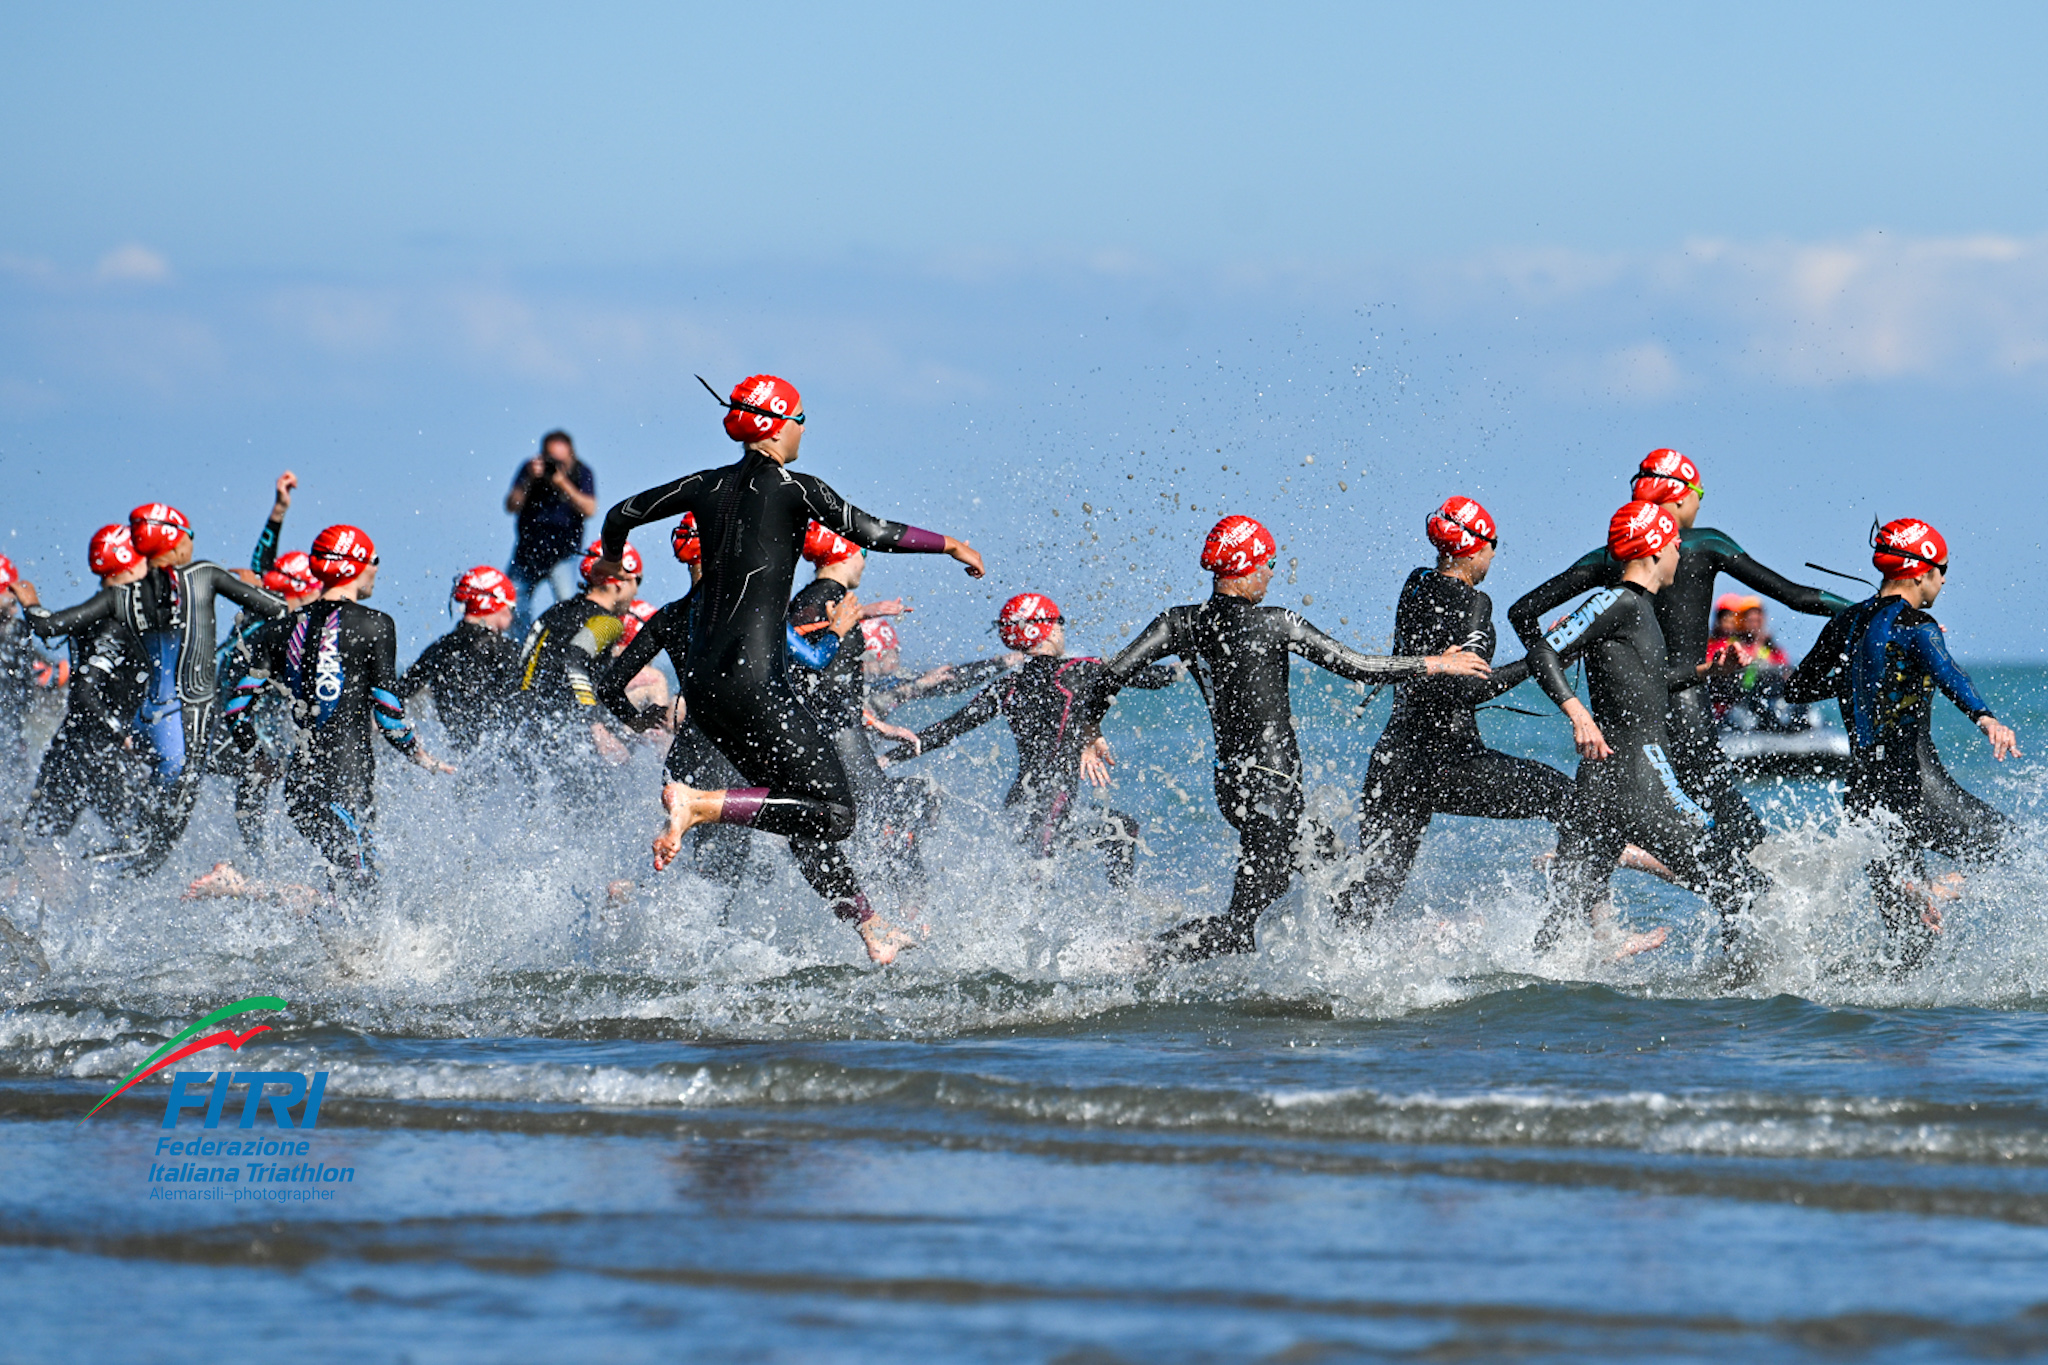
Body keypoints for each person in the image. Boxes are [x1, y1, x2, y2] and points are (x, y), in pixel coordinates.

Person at [590, 373, 986, 964]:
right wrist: (952, 544)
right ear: (776, 425)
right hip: (756, 686)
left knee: (800, 811)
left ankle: (871, 928)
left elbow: (621, 513)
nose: (804, 429)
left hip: (706, 692)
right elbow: (874, 531)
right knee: (836, 813)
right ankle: (699, 805)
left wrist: (618, 559)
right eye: (801, 418)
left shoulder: (704, 485)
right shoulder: (798, 490)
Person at [1096, 515, 1490, 961]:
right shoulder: (1275, 622)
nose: (1270, 573)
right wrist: (1434, 664)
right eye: (1268, 563)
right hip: (1272, 792)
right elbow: (1357, 665)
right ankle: (1134, 958)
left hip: (1234, 787)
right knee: (1242, 928)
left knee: (1342, 875)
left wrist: (1090, 731)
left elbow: (1110, 674)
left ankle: (1366, 956)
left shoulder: (1180, 622)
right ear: (1246, 567)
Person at [1337, 498, 1671, 927]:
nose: (1494, 556)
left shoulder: (1415, 583)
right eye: (1493, 545)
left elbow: (1438, 674)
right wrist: (1539, 659)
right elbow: (1468, 687)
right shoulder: (1476, 604)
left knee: (1374, 893)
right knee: (1571, 802)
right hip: (1449, 764)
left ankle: (1319, 962)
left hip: (1395, 762)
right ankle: (1594, 920)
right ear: (1475, 549)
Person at [1508, 449, 1851, 862]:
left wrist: (1564, 672)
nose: (1700, 501)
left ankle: (1597, 923)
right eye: (1699, 491)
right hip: (1685, 709)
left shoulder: (1616, 555)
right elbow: (1797, 596)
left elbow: (1523, 612)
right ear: (1681, 495)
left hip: (1623, 717)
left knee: (1595, 830)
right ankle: (1761, 903)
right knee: (1732, 829)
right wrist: (1877, 613)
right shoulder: (1704, 544)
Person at [1525, 502, 1767, 970]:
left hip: (1603, 787)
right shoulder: (1617, 600)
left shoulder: (1640, 610)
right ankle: (1743, 993)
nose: (1681, 547)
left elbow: (1647, 682)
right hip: (1639, 781)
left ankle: (1533, 1001)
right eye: (1673, 542)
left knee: (1562, 918)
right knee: (1741, 882)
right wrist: (1578, 714)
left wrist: (1706, 669)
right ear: (1653, 549)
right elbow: (1543, 651)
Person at [1784, 518, 2019, 970]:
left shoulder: (1846, 621)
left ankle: (1893, 1037)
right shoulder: (1919, 626)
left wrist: (1860, 677)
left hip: (1863, 794)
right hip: (1914, 782)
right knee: (2005, 845)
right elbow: (1950, 674)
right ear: (1920, 572)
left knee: (1909, 941)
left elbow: (1798, 688)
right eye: (1942, 569)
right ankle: (1937, 889)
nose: (1945, 579)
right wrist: (1985, 717)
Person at [599, 516, 861, 895]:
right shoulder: (748, 606)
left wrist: (643, 721)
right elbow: (814, 661)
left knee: (689, 864)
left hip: (685, 756)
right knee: (719, 885)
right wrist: (837, 631)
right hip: (731, 754)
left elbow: (609, 688)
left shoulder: (669, 615)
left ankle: (630, 888)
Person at [22, 503, 288, 875]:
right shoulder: (188, 584)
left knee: (39, 843)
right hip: (125, 745)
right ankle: (249, 870)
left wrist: (30, 601)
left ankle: (56, 907)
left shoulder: (112, 605)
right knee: (142, 849)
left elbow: (56, 639)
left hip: (89, 744)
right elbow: (275, 610)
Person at [196, 525, 453, 905]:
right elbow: (388, 712)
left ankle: (332, 951)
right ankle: (239, 886)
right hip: (347, 781)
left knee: (348, 893)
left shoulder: (279, 629)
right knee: (361, 889)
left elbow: (236, 709)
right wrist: (421, 756)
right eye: (374, 560)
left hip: (301, 785)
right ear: (355, 565)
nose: (377, 569)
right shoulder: (375, 625)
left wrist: (259, 756)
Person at [885, 591, 1178, 886]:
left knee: (1117, 831)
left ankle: (1116, 912)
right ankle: (1122, 907)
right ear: (1045, 630)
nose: (1063, 629)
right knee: (1044, 878)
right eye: (1059, 622)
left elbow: (949, 728)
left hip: (1020, 802)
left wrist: (888, 757)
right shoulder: (1077, 670)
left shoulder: (1008, 685)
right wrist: (1187, 660)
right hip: (1053, 802)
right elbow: (1154, 678)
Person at [786, 522, 938, 879]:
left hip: (838, 729)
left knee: (876, 822)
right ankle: (906, 918)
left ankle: (887, 909)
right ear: (844, 552)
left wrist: (879, 724)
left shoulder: (821, 599)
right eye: (863, 552)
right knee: (887, 821)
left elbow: (824, 679)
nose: (864, 562)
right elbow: (812, 677)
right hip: (838, 734)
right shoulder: (824, 600)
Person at [21, 527, 150, 846]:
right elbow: (84, 693)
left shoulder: (106, 610)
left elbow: (49, 626)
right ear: (129, 563)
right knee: (136, 846)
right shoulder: (112, 615)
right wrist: (122, 737)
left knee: (34, 844)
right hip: (99, 753)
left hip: (69, 747)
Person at [513, 541, 641, 774]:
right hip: (571, 733)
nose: (637, 592)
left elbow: (525, 661)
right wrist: (595, 724)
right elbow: (574, 658)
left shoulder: (553, 612)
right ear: (620, 583)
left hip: (531, 728)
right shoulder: (609, 623)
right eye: (637, 581)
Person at [399, 566, 521, 759]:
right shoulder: (504, 650)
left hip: (458, 755)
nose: (512, 616)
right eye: (511, 608)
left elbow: (398, 693)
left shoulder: (439, 648)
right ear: (494, 603)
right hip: (499, 756)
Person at [505, 430, 598, 635]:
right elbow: (511, 505)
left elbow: (590, 508)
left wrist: (561, 482)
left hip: (564, 555)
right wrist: (529, 479)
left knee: (569, 608)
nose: (554, 466)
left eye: (560, 462)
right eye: (551, 460)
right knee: (512, 606)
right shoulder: (529, 471)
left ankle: (566, 651)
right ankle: (520, 654)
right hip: (527, 553)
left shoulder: (581, 473)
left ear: (571, 456)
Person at [0, 556, 38, 780]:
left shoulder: (18, 631)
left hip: (12, 734)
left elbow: (29, 674)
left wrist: (52, 674)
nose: (15, 609)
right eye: (10, 601)